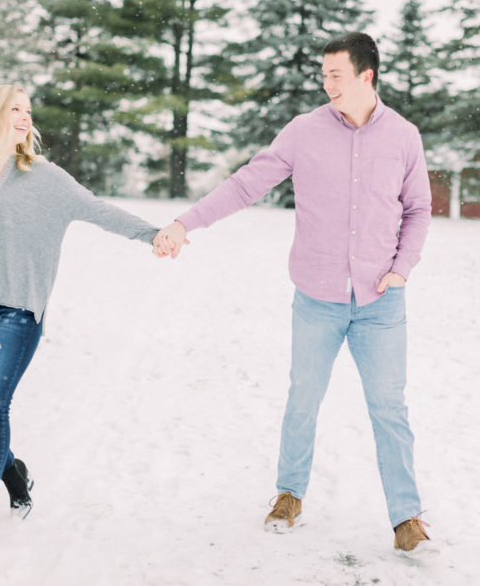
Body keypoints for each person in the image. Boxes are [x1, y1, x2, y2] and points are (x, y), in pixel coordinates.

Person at [154, 32, 433, 552]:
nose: (327, 84)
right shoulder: (304, 132)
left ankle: (407, 518)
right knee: (302, 399)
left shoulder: (403, 137)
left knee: (389, 408)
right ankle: (289, 494)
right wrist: (185, 222)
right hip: (317, 298)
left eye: (336, 75)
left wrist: (402, 268)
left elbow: (418, 209)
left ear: (366, 77)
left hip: (381, 301)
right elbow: (245, 184)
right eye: (324, 74)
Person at [0, 84, 171, 550]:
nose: (25, 117)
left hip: (19, 309)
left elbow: (97, 210)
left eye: (28, 111)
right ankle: (14, 474)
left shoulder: (46, 178)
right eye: (15, 109)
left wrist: (152, 235)